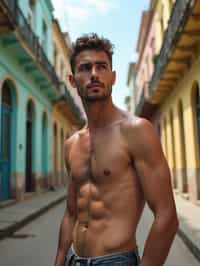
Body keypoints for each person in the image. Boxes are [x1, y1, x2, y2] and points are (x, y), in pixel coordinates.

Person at [55, 33, 178, 266]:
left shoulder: (136, 130)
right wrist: (60, 259)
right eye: (85, 68)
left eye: (101, 67)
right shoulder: (71, 144)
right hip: (73, 258)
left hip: (116, 260)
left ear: (113, 77)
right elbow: (71, 213)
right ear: (72, 80)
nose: (94, 74)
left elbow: (167, 216)